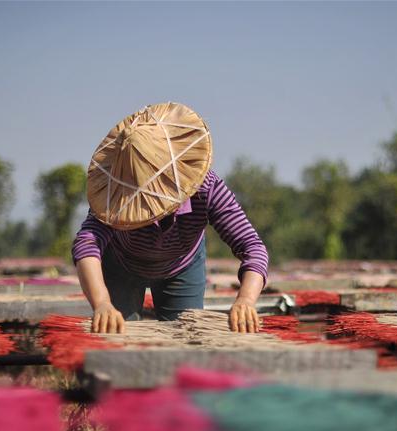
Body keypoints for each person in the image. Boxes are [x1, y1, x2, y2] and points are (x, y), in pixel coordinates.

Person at [72, 102, 268, 334]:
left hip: (182, 264)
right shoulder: (113, 193)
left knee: (187, 337)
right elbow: (87, 244)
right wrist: (102, 303)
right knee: (115, 337)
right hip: (122, 263)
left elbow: (252, 247)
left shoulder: (206, 187)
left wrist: (245, 300)